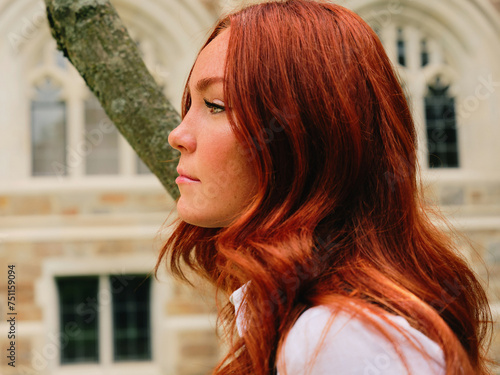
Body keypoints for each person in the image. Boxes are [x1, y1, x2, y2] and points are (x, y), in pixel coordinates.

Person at [156, 1, 493, 374]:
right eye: (189, 105)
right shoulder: (301, 319)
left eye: (215, 105)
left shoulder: (336, 339)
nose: (178, 135)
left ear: (305, 134)